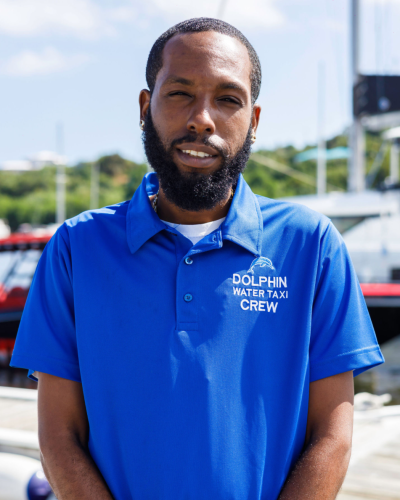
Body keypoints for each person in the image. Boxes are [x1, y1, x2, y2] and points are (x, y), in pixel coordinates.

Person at [11, 18, 384, 500]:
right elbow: (59, 436)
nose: (202, 119)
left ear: (254, 121)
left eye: (228, 99)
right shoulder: (75, 248)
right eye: (180, 93)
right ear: (145, 108)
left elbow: (332, 436)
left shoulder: (311, 245)